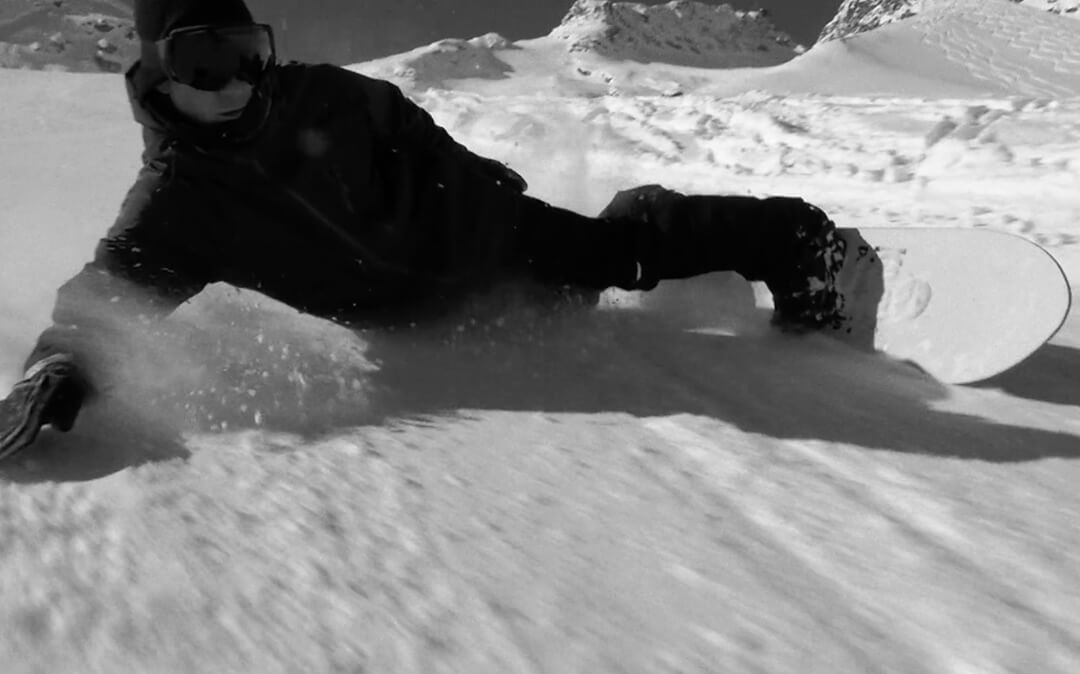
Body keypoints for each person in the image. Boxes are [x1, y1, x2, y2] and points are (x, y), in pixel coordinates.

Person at [0, 0, 845, 460]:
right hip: (415, 320)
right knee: (567, 301)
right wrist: (57, 370)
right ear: (157, 73)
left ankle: (800, 243)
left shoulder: (325, 95)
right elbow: (107, 300)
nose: (235, 81)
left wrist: (474, 188)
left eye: (247, 52)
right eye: (202, 61)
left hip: (489, 234)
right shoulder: (178, 206)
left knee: (614, 255)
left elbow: (405, 124)